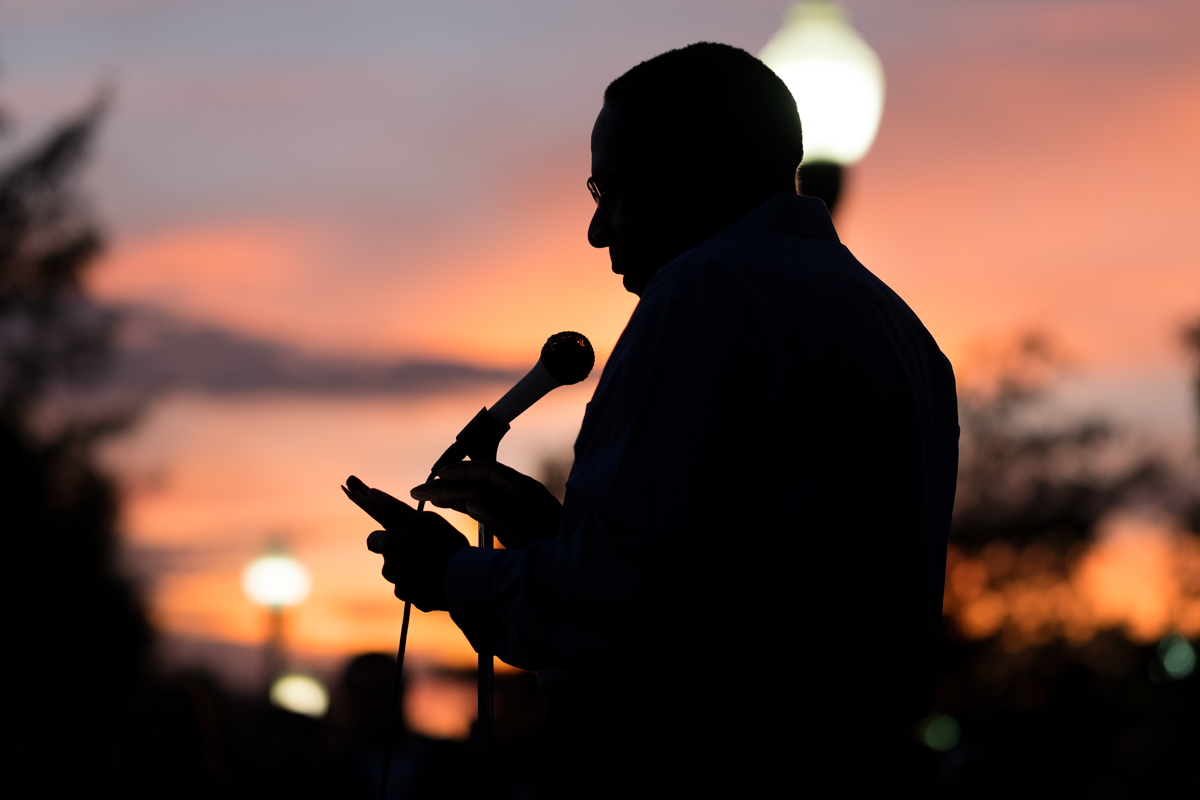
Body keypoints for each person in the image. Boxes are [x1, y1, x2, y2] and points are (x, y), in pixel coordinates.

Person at [354, 42, 958, 797]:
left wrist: (450, 572)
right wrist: (554, 534)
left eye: (610, 188)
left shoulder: (704, 294)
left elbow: (620, 602)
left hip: (669, 771)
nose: (598, 230)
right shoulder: (901, 332)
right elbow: (731, 574)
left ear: (696, 163)